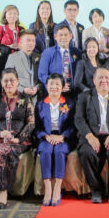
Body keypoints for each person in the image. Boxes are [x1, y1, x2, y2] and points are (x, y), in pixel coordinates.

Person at [75, 67, 109, 203]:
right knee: (86, 152)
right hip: (92, 135)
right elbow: (79, 119)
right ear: (94, 80)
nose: (104, 80)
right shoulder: (85, 97)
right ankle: (96, 190)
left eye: (107, 77)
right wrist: (89, 136)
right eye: (100, 77)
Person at [0, 69, 35, 209]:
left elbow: (31, 123)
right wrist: (0, 133)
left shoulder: (25, 99)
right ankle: (1, 190)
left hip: (19, 139)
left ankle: (4, 191)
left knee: (7, 150)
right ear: (1, 82)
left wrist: (19, 139)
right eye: (5, 80)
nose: (9, 83)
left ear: (18, 81)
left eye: (12, 80)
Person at [36, 74, 76, 206]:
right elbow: (37, 127)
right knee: (46, 151)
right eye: (51, 84)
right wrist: (46, 136)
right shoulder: (40, 104)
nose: (54, 87)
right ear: (46, 86)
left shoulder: (69, 103)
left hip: (63, 137)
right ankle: (48, 188)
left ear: (63, 87)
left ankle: (58, 187)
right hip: (46, 137)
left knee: (59, 151)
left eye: (57, 84)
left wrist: (62, 136)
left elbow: (72, 126)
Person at [38, 24, 81, 94]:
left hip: (74, 93)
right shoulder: (48, 53)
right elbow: (42, 74)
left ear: (70, 36)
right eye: (60, 35)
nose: (63, 37)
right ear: (55, 37)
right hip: (54, 92)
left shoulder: (77, 52)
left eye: (66, 35)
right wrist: (56, 86)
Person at [4, 30, 41, 104]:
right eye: (28, 40)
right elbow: (8, 78)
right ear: (20, 43)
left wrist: (37, 88)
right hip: (19, 97)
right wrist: (22, 89)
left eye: (33, 41)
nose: (31, 43)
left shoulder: (39, 57)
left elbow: (42, 77)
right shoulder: (13, 57)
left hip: (37, 98)